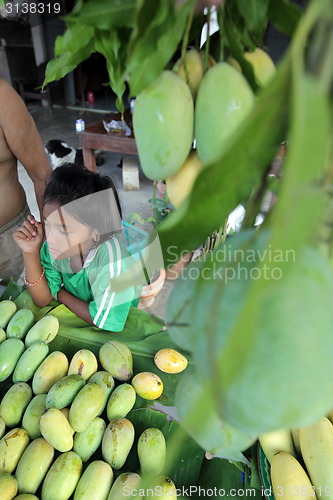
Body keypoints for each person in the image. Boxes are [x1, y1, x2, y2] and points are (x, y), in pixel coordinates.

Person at [13, 164, 139, 332]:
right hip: (82, 311)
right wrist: (30, 252)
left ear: (96, 232)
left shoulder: (112, 262)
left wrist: (61, 293)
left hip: (118, 321)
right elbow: (42, 299)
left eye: (65, 230)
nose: (51, 238)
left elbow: (105, 320)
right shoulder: (55, 248)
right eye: (48, 223)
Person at [0, 78, 52, 285]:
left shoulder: (2, 96)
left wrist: (51, 245)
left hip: (12, 243)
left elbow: (42, 176)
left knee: (23, 309)